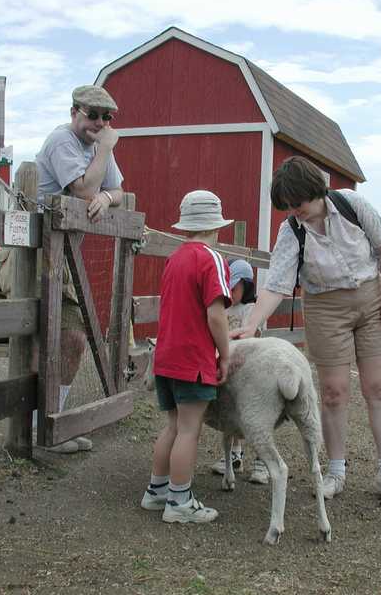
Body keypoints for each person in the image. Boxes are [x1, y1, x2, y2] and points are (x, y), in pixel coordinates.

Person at [232, 156, 381, 507]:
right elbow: (277, 285)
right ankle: (335, 471)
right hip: (325, 308)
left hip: (371, 299)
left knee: (379, 387)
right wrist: (251, 324)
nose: (295, 211)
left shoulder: (352, 205)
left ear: (315, 191)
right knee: (333, 392)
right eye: (289, 206)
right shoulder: (292, 231)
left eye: (298, 202)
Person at [0, 84, 124, 453]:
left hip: (62, 259)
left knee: (72, 338)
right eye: (92, 115)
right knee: (37, 340)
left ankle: (49, 425)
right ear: (74, 113)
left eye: (106, 118)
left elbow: (118, 191)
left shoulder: (95, 148)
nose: (99, 123)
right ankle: (29, 430)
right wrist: (105, 152)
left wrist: (107, 196)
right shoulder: (62, 141)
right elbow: (83, 191)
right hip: (31, 255)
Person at [140, 190, 234, 524]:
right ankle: (180, 502)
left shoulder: (175, 258)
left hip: (166, 356)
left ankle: (157, 491)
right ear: (216, 226)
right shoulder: (212, 259)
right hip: (192, 358)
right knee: (189, 430)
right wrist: (225, 354)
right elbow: (216, 315)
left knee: (173, 426)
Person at [208, 259, 270, 484]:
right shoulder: (223, 308)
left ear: (246, 285)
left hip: (250, 371)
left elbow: (250, 335)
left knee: (255, 417)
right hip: (229, 369)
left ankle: (262, 462)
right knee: (232, 412)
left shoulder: (251, 310)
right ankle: (234, 455)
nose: (230, 292)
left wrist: (226, 338)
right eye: (227, 287)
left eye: (234, 287)